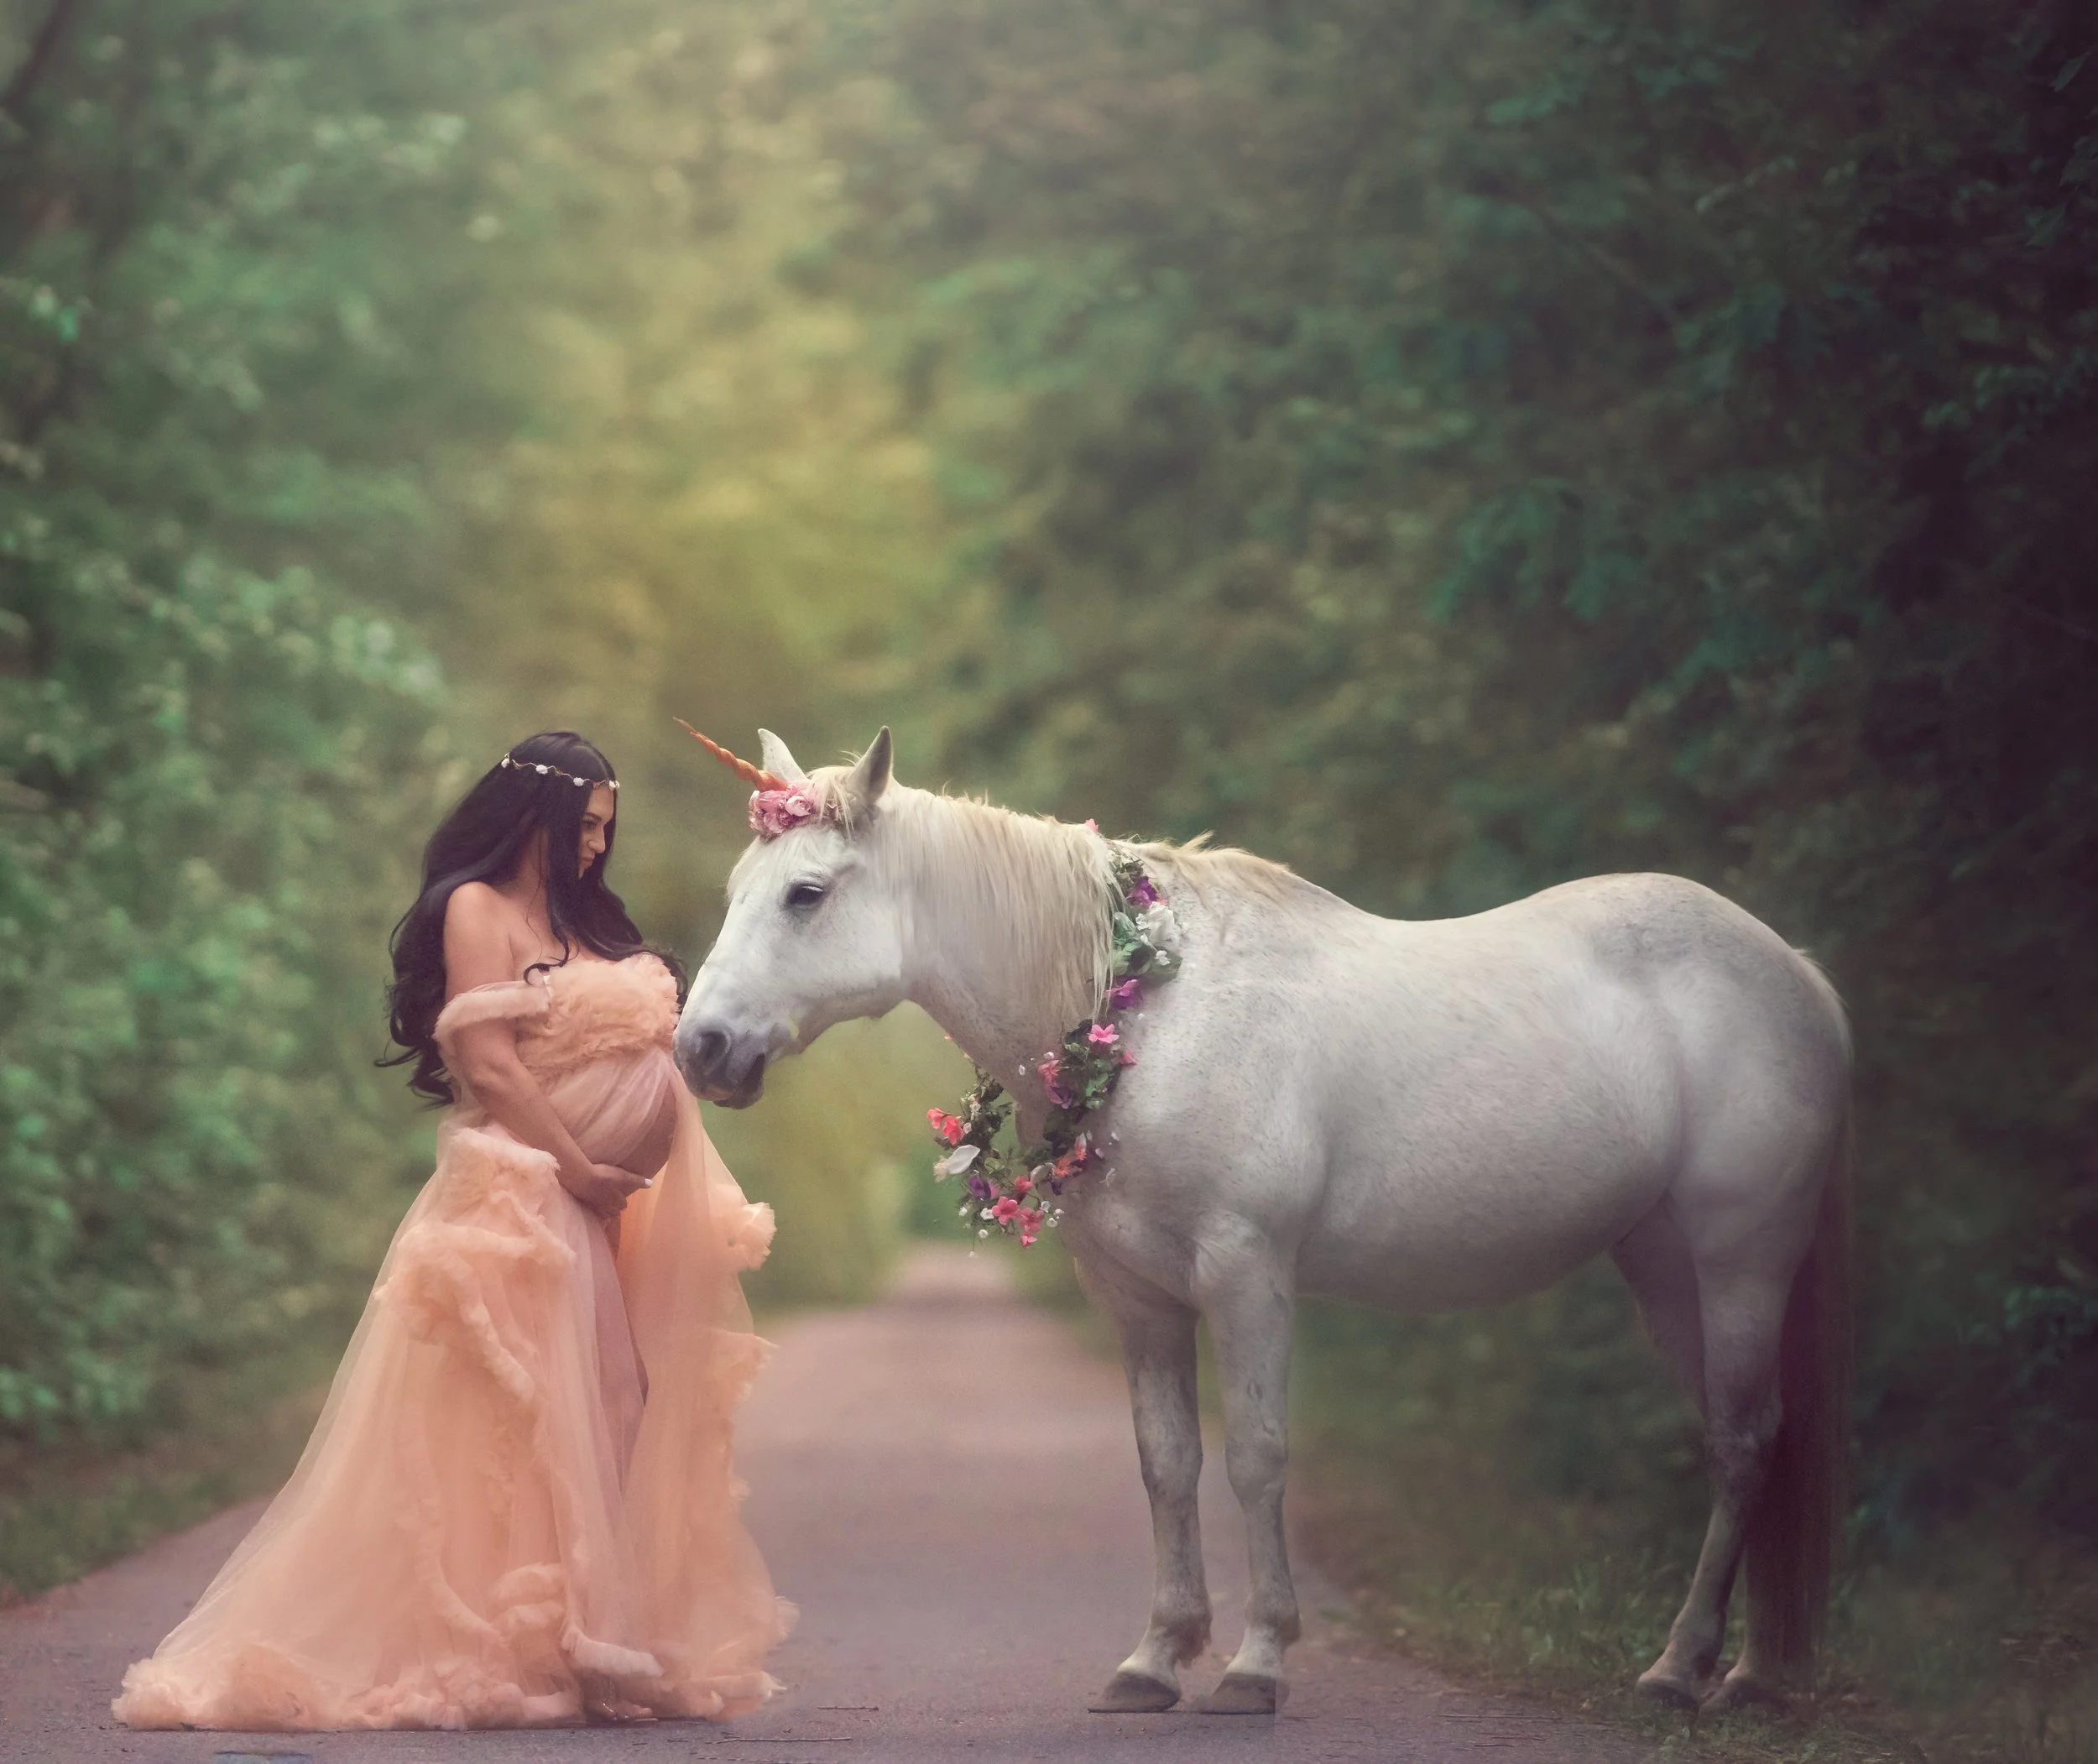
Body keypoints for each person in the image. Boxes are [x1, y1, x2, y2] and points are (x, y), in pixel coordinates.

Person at [114, 731, 790, 1730]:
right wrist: (581, 1165)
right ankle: (532, 1643)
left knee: (610, 1403)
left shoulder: (581, 921)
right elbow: (492, 1066)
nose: (599, 847)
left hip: (593, 1200)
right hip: (524, 1193)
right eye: (587, 827)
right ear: (538, 818)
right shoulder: (475, 909)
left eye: (608, 829)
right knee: (525, 1422)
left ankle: (587, 1634)